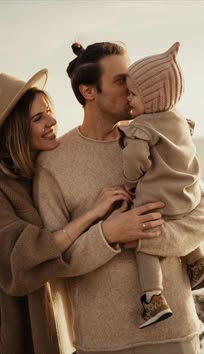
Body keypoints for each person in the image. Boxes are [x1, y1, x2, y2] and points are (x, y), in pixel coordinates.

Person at [0, 69, 164, 354]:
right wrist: (93, 216)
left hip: (60, 310)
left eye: (48, 112)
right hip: (17, 320)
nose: (52, 121)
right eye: (38, 118)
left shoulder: (41, 164)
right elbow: (18, 258)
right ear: (15, 129)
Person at [34, 41, 204, 354]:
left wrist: (148, 234)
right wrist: (108, 234)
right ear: (88, 91)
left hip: (176, 331)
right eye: (122, 81)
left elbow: (198, 213)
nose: (133, 88)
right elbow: (55, 260)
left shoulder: (158, 137)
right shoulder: (53, 163)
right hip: (103, 341)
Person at [118, 41, 204, 329]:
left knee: (147, 248)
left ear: (153, 99)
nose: (128, 100)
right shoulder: (180, 120)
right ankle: (197, 263)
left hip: (157, 201)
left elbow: (135, 159)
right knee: (180, 223)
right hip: (188, 196)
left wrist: (130, 180)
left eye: (133, 94)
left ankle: (153, 299)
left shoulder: (142, 126)